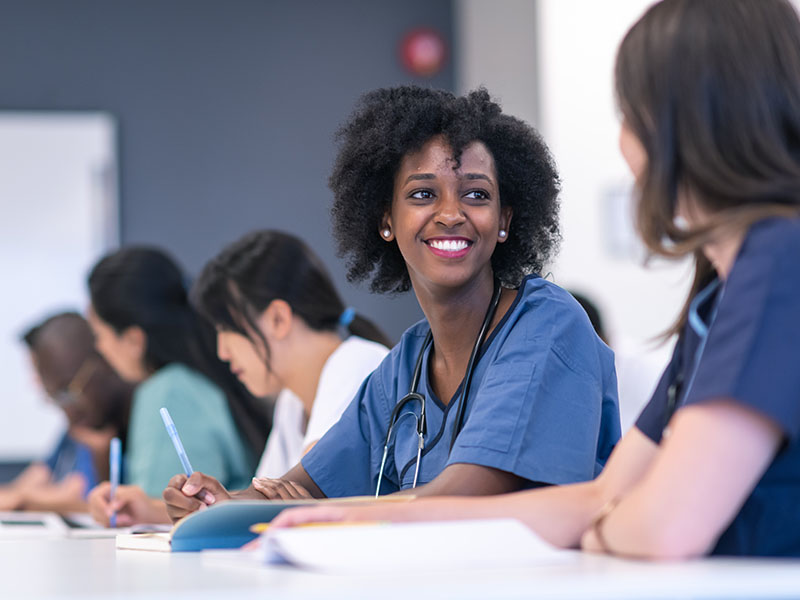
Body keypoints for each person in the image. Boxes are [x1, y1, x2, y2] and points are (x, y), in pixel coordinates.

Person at [273, 0, 800, 560]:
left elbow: (661, 527)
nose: (625, 146)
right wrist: (339, 518)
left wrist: (604, 530)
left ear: (689, 123)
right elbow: (602, 496)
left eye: (632, 115)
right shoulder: (721, 295)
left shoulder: (778, 263)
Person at [163, 86, 620, 521]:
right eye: (423, 194)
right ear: (386, 219)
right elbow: (299, 488)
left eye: (476, 194)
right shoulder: (407, 366)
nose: (450, 213)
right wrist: (220, 504)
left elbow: (465, 493)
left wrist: (305, 512)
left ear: (504, 221)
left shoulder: (546, 324)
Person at [85, 247, 272, 526]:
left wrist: (137, 508)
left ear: (135, 340)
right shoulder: (208, 375)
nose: (99, 348)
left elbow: (168, 515)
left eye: (99, 334)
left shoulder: (168, 392)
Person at [193, 229, 390, 480]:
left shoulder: (357, 362)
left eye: (226, 329)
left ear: (278, 318)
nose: (222, 352)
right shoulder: (292, 402)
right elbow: (264, 496)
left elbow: (310, 489)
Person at [0, 312, 132, 513]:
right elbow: (32, 479)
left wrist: (23, 499)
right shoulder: (72, 430)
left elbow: (81, 496)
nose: (37, 382)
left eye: (63, 391)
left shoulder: (95, 424)